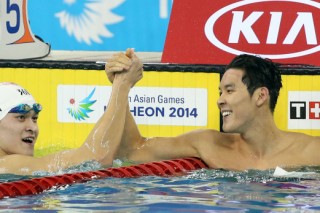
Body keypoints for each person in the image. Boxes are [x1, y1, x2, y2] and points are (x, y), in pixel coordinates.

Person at [106, 52, 320, 170]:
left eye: (229, 90)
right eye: (220, 92)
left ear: (261, 96)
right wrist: (121, 86)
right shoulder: (207, 143)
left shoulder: (312, 151)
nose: (219, 100)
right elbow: (132, 150)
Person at [0, 48, 143, 175]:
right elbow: (97, 159)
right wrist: (123, 84)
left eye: (35, 118)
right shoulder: (5, 165)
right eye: (21, 117)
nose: (32, 127)